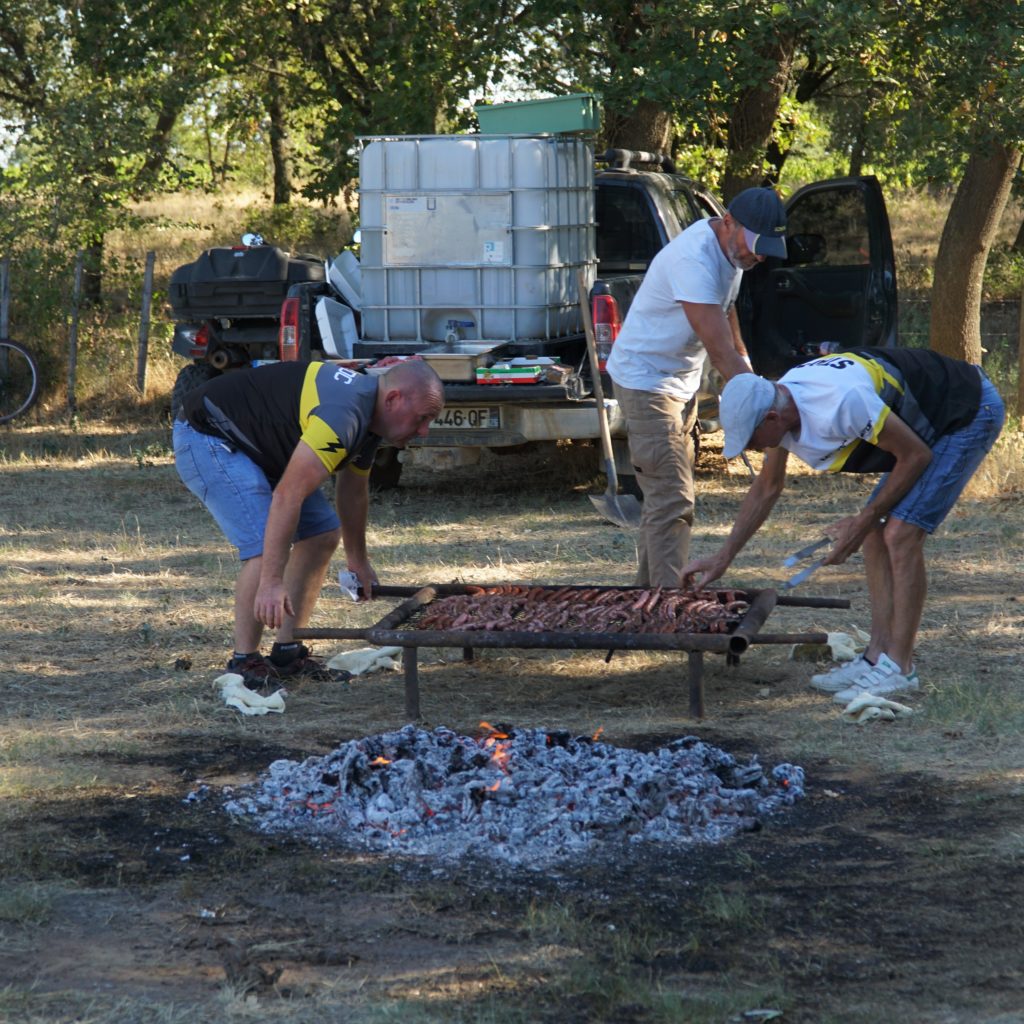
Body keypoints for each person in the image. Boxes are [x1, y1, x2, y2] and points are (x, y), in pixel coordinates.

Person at [682, 347, 1005, 702]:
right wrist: (723, 557)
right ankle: (876, 658)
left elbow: (915, 456)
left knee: (900, 534)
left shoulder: (839, 402)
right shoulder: (779, 403)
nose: (753, 447)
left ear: (772, 418)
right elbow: (767, 487)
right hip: (926, 424)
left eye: (752, 439)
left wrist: (863, 518)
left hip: (965, 411)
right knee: (873, 536)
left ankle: (900, 667)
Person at [172, 358, 444, 684]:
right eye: (423, 418)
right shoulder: (343, 416)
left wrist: (357, 559)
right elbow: (287, 496)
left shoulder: (369, 419)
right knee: (264, 546)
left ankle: (287, 653)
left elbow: (352, 491)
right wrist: (272, 582)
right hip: (207, 434)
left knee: (322, 533)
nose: (425, 430)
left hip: (260, 447)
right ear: (393, 399)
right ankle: (244, 662)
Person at [606, 186, 787, 586]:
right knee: (674, 499)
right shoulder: (694, 259)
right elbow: (717, 347)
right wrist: (761, 400)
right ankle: (671, 608)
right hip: (648, 383)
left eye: (767, 249)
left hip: (678, 384)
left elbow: (725, 309)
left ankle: (646, 599)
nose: (759, 256)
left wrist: (745, 357)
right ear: (729, 223)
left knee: (662, 499)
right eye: (757, 245)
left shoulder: (732, 253)